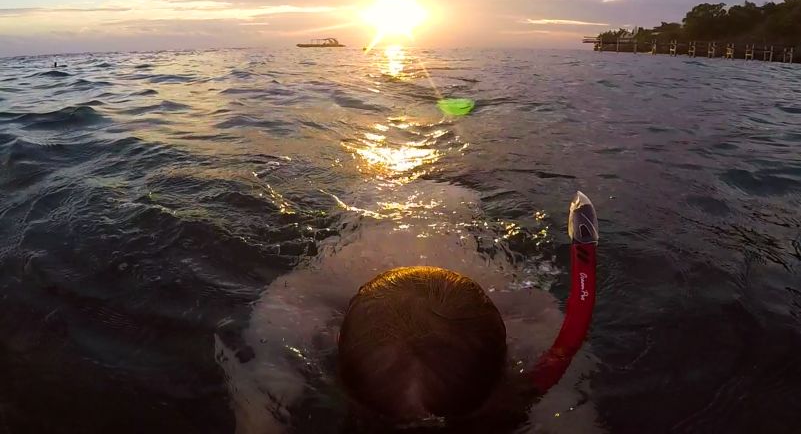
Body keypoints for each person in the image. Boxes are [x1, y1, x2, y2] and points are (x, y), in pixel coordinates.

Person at [216, 185, 600, 433]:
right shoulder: (516, 304)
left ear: (336, 339)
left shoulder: (517, 306)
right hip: (398, 209)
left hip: (408, 211)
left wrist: (266, 405)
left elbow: (276, 327)